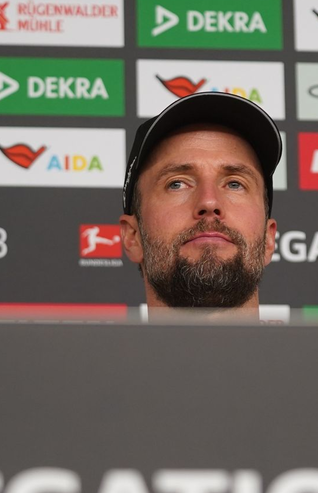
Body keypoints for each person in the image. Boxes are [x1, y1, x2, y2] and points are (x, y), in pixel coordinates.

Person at [119, 92, 281, 321]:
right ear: (132, 236)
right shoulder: (82, 358)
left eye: (234, 184)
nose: (209, 201)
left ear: (268, 239)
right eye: (177, 184)